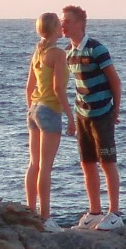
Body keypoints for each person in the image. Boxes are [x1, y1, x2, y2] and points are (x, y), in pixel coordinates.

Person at [61, 5, 124, 230]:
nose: (63, 25)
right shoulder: (68, 52)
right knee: (87, 162)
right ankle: (94, 211)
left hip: (101, 113)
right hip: (82, 113)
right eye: (62, 21)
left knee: (107, 162)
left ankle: (114, 213)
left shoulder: (97, 49)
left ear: (80, 23)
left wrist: (115, 110)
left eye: (67, 21)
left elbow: (115, 81)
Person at [24, 12, 75, 230]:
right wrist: (71, 117)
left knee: (34, 164)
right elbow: (58, 89)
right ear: (55, 29)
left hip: (34, 108)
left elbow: (28, 88)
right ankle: (46, 218)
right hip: (49, 110)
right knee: (46, 167)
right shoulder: (57, 54)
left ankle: (30, 212)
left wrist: (32, 109)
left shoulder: (38, 53)